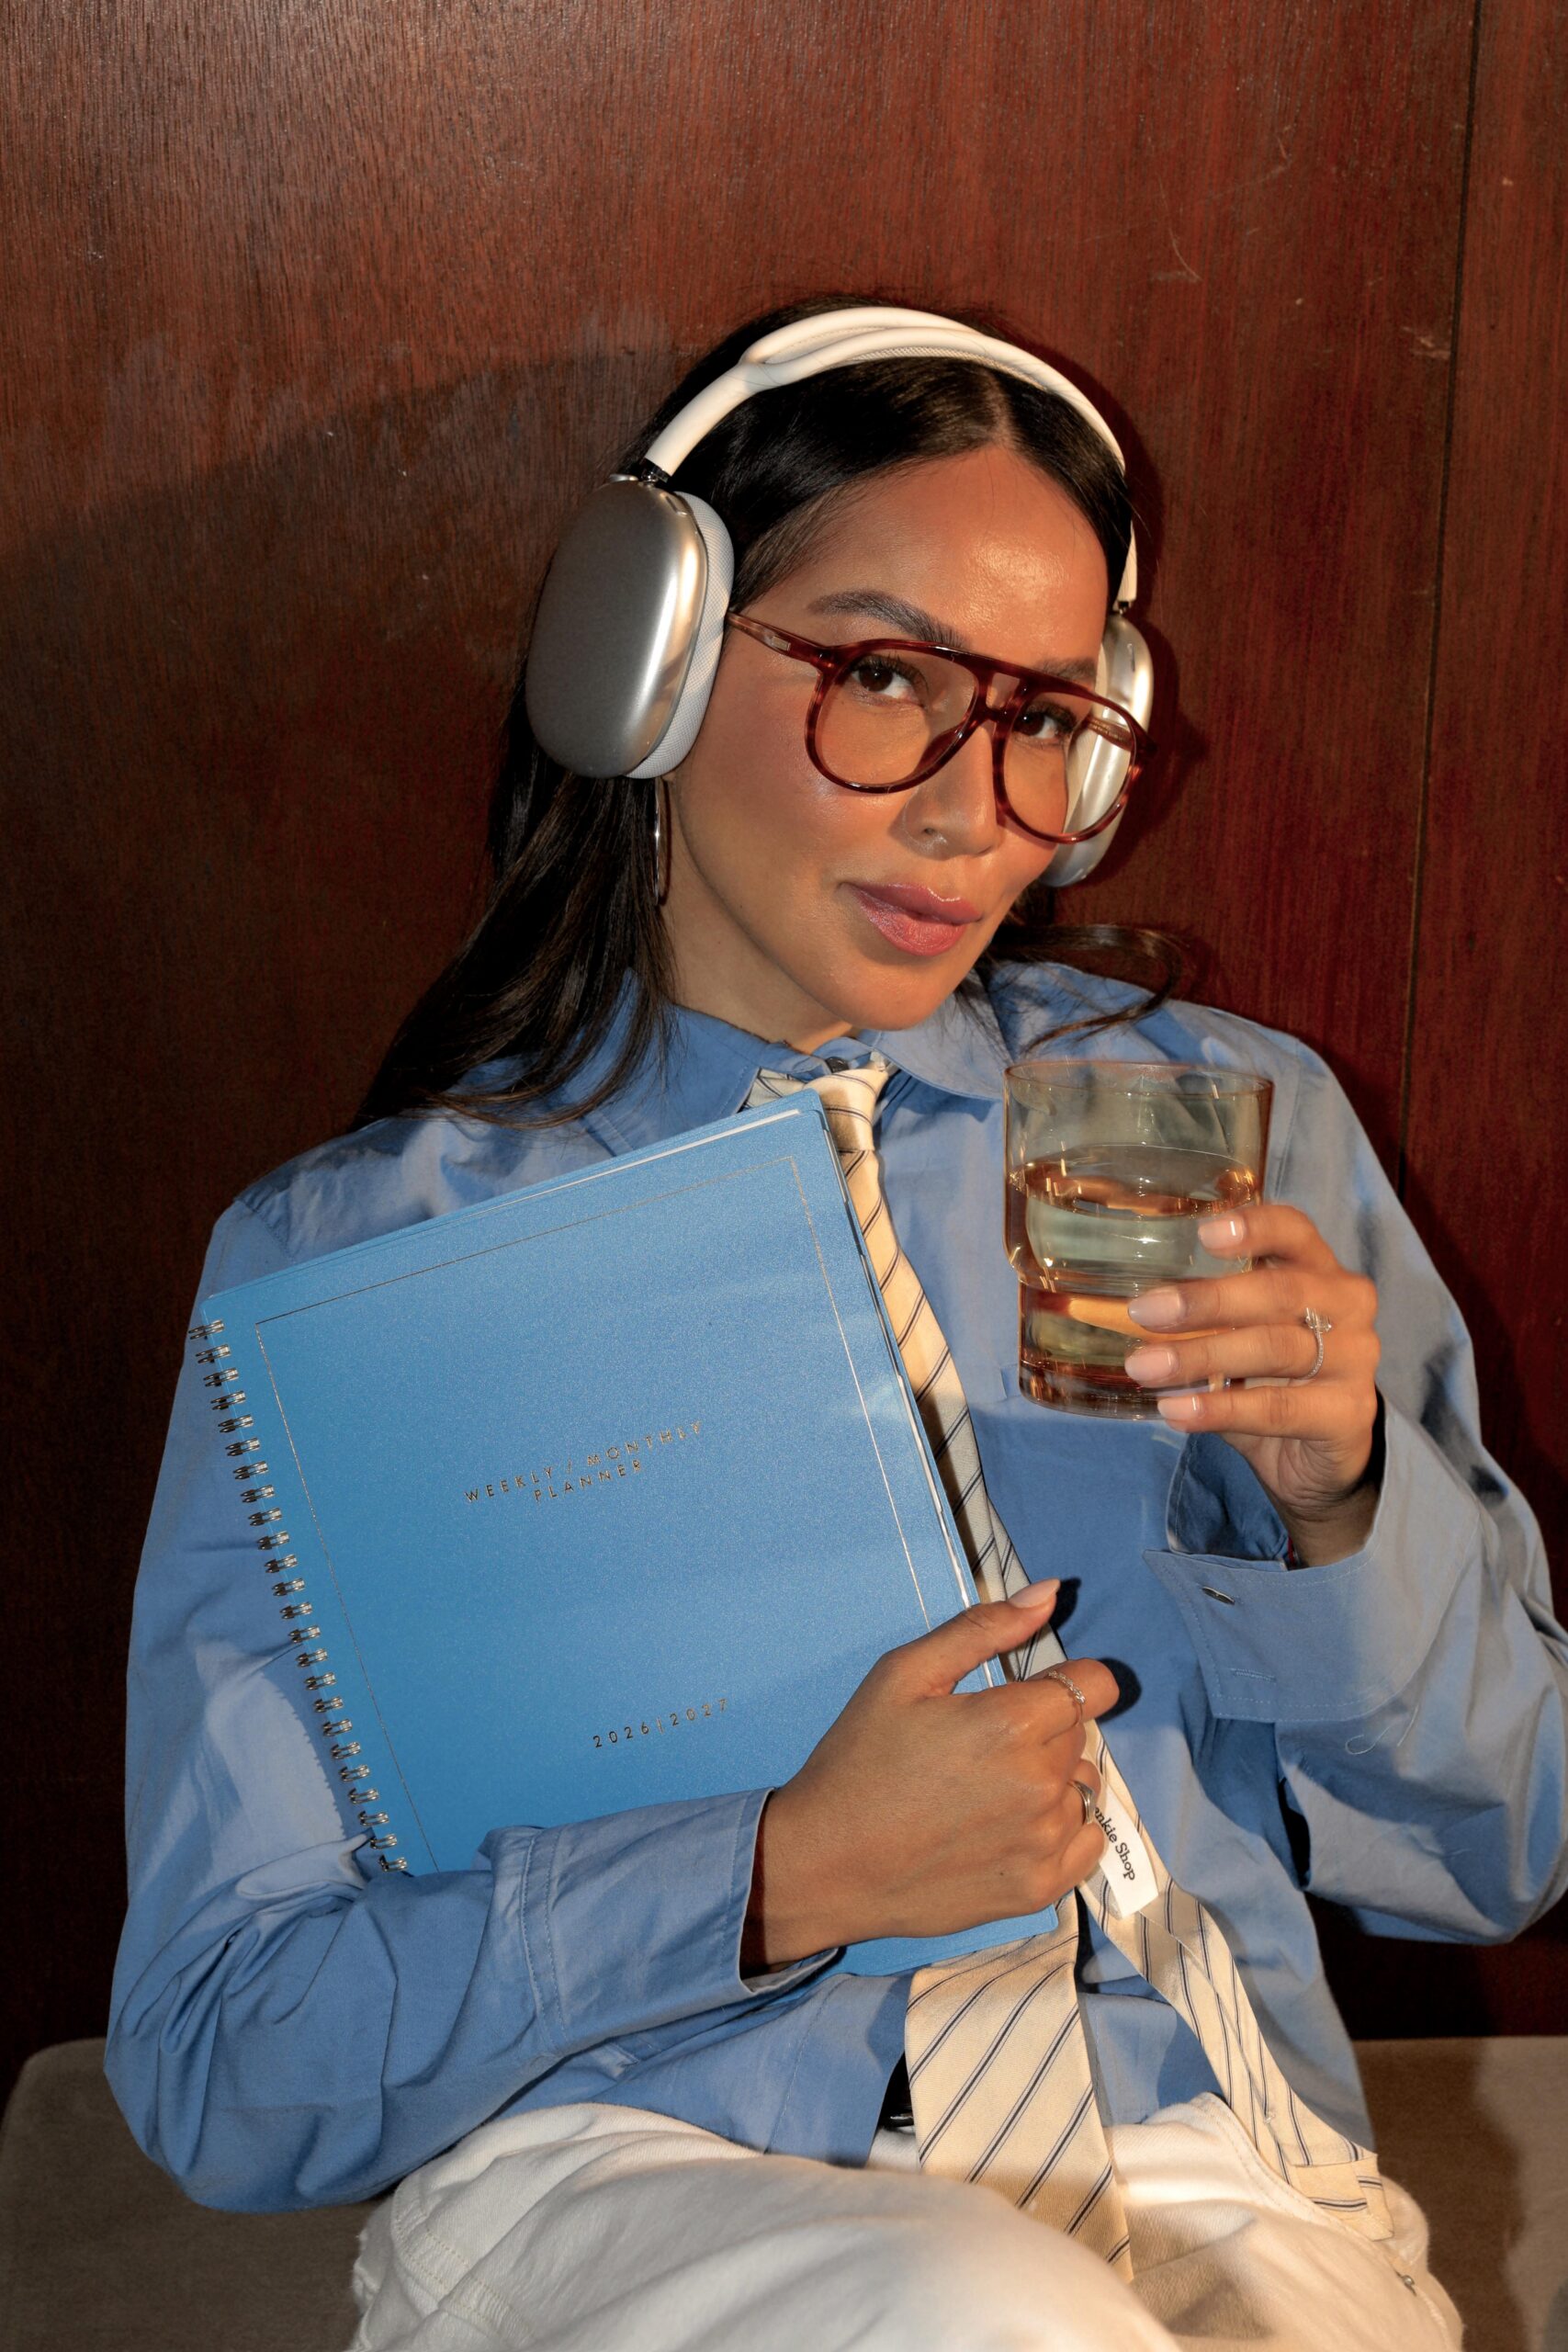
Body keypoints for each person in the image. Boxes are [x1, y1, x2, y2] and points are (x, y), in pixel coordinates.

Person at [108, 301, 1566, 2352]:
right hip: (630, 2169)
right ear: (645, 665)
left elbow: (1499, 1853)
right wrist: (777, 1870)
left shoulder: (1228, 1137)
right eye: (886, 679)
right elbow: (218, 2059)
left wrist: (1342, 1507)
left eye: (1046, 717)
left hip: (1217, 2167)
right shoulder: (370, 1260)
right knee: (976, 2308)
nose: (978, 813)